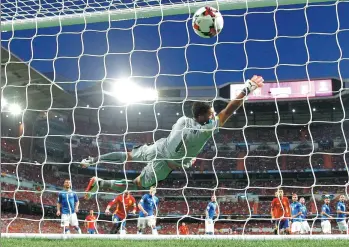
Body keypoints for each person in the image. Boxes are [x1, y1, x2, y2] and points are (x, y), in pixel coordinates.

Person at [81, 76, 264, 196]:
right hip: (164, 164)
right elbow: (228, 111)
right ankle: (101, 183)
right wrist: (247, 89)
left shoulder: (183, 120)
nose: (212, 115)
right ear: (201, 117)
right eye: (210, 113)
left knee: (128, 155)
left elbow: (183, 140)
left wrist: (188, 157)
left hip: (158, 148)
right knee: (137, 184)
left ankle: (93, 159)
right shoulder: (206, 129)